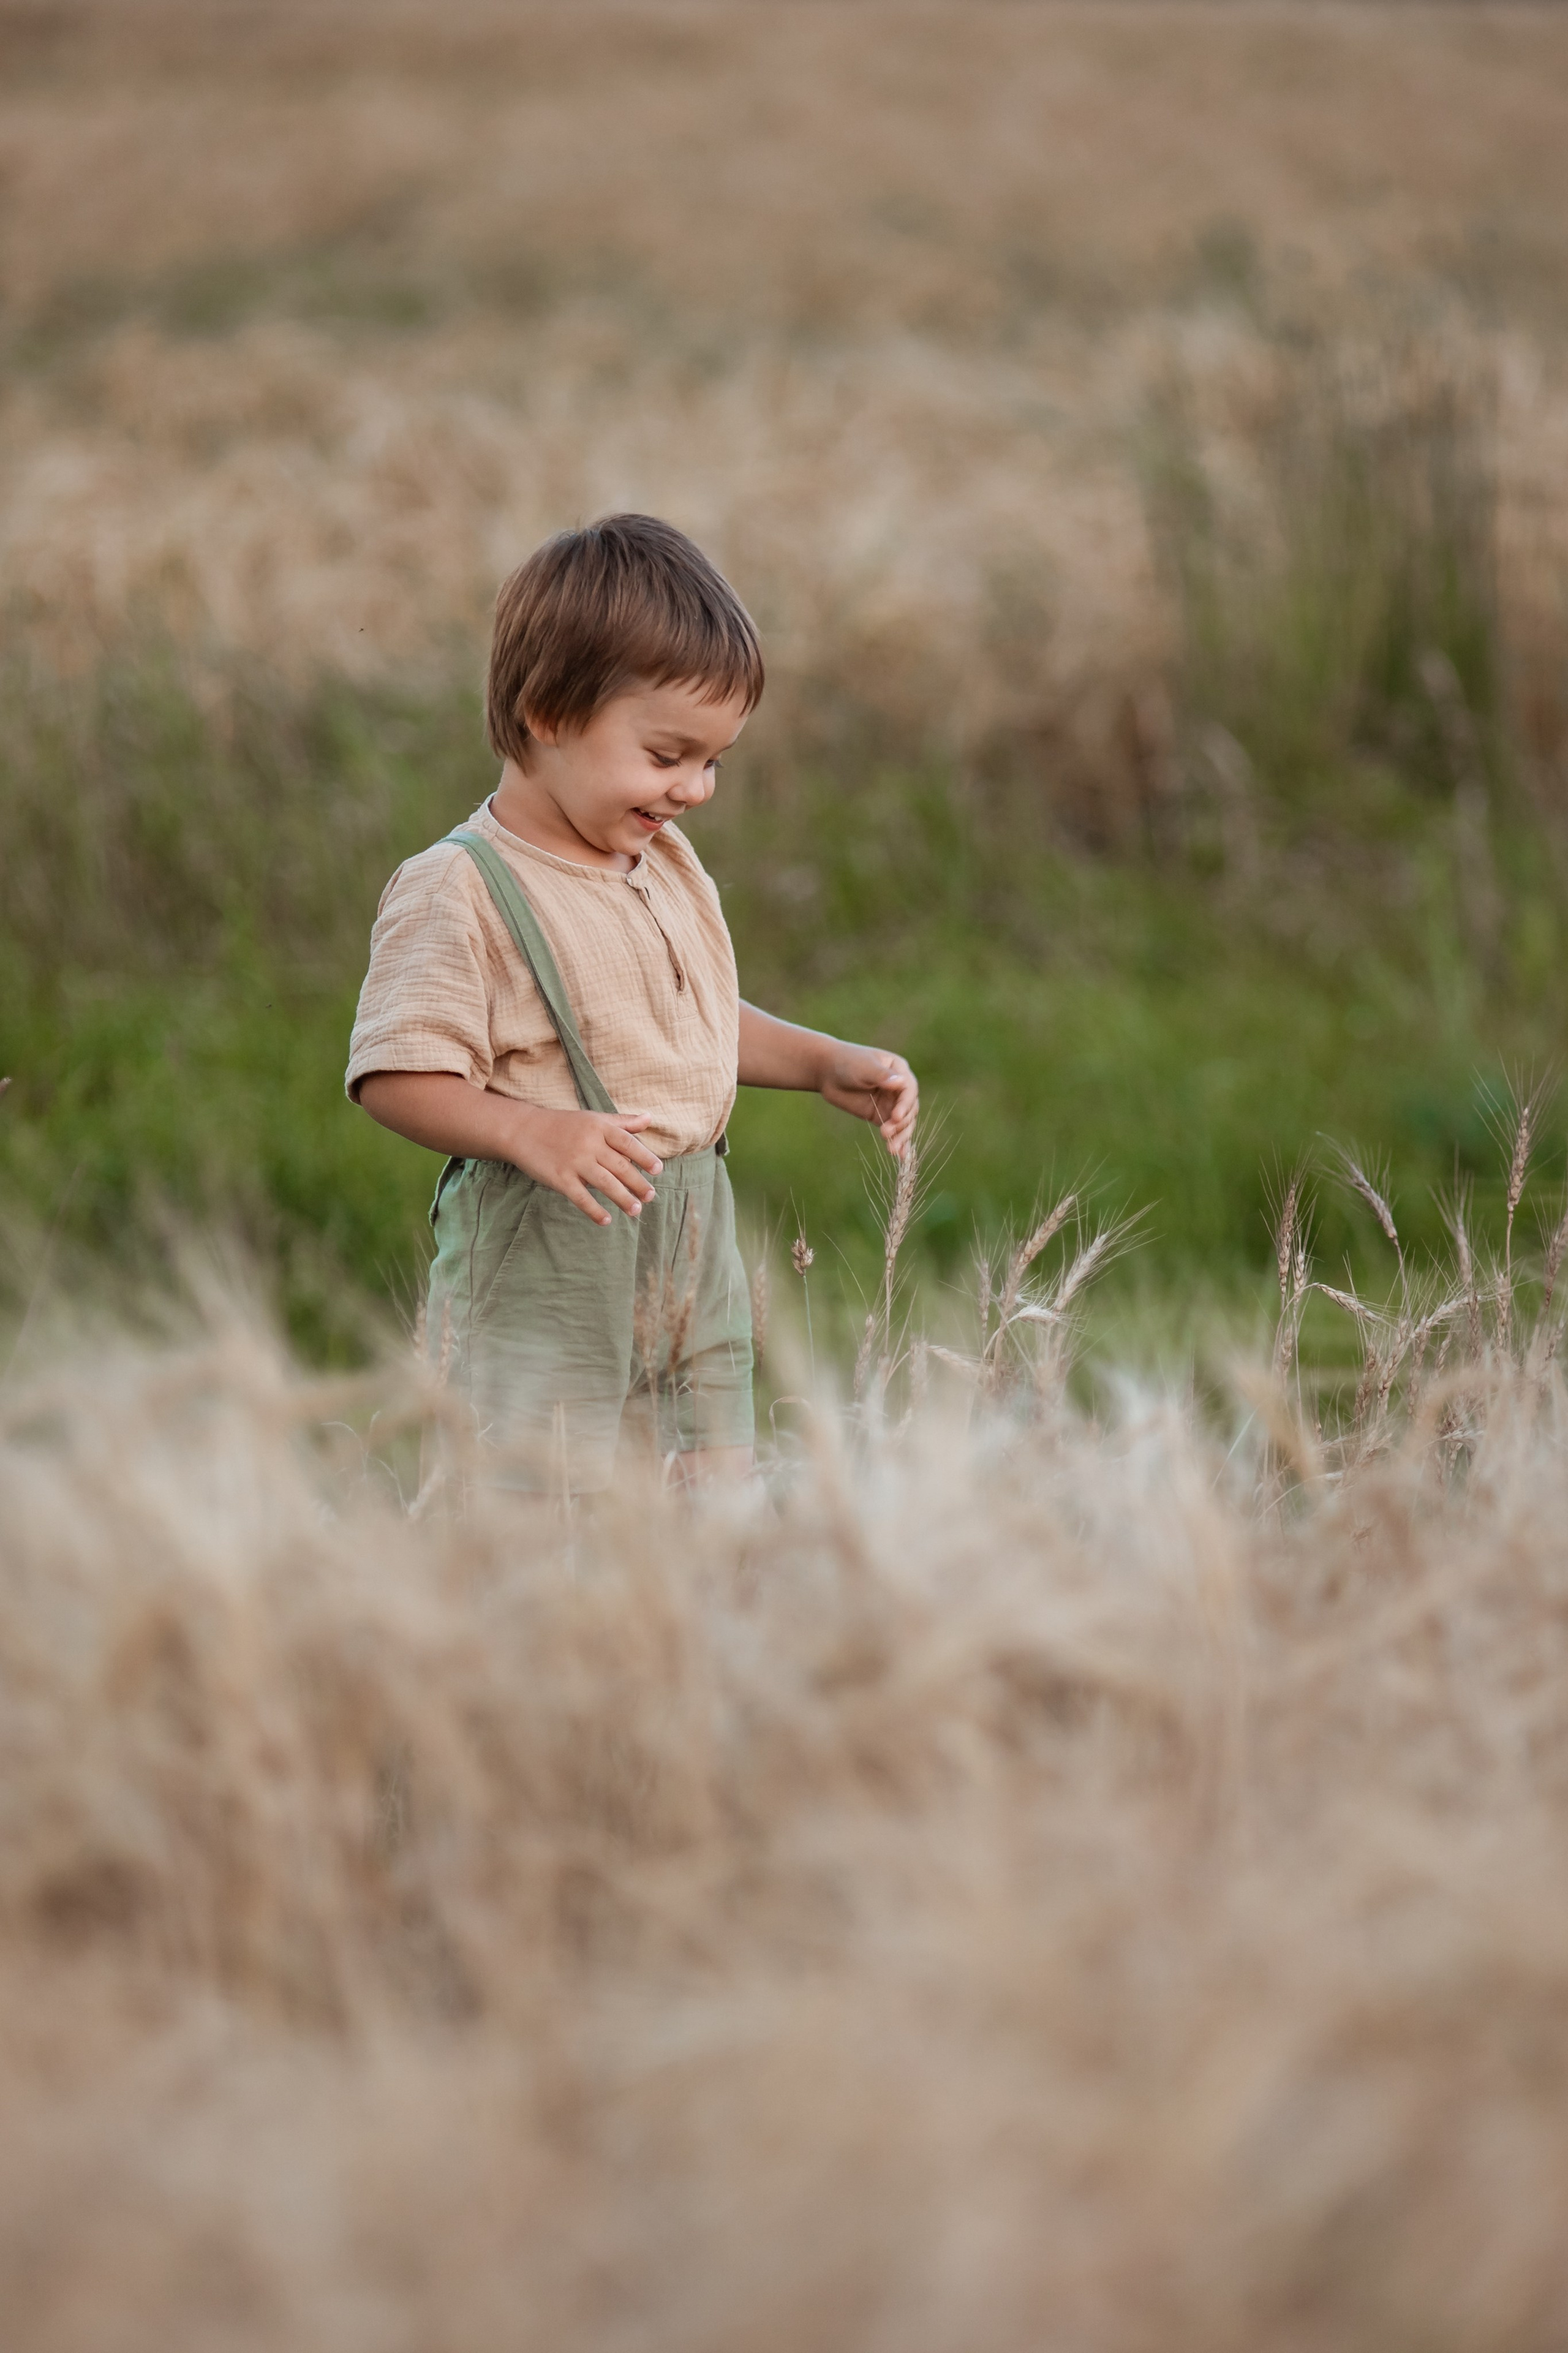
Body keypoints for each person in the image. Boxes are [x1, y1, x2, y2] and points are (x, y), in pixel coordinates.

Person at [348, 513, 918, 1494]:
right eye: (667, 755)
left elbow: (682, 1026)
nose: (695, 788)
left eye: (715, 762)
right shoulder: (464, 886)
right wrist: (532, 1131)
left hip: (692, 1240)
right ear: (547, 713)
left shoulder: (654, 859)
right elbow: (395, 1075)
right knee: (544, 1507)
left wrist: (821, 1060)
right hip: (548, 1257)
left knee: (707, 1504)